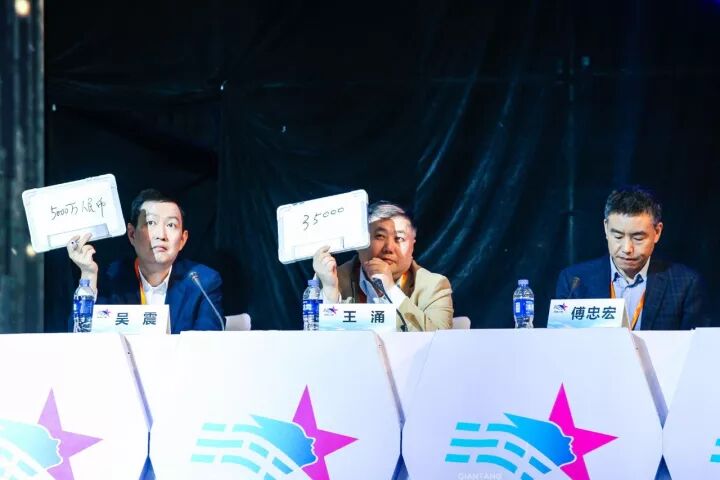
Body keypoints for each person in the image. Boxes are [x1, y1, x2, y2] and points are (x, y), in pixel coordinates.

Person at [67, 188, 224, 333]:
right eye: (150, 223)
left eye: (171, 225)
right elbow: (79, 336)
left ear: (183, 240)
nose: (161, 235)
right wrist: (88, 275)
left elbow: (209, 344)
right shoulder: (109, 279)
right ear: (132, 234)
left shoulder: (202, 283)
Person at [555, 186, 706, 330]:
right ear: (606, 228)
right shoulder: (574, 281)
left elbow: (693, 345)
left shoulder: (684, 284)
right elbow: (561, 341)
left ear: (657, 232)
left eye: (638, 238)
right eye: (618, 236)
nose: (627, 249)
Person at [312, 201, 453, 331]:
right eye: (380, 236)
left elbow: (441, 342)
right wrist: (330, 291)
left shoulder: (433, 286)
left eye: (399, 238)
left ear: (412, 246)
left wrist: (391, 290)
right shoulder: (331, 278)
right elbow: (315, 341)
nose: (389, 248)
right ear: (359, 243)